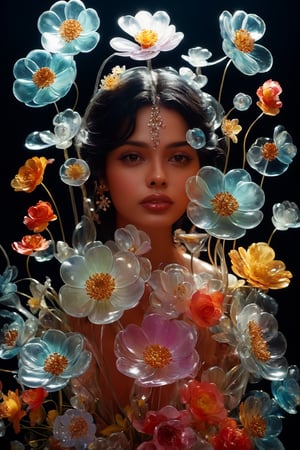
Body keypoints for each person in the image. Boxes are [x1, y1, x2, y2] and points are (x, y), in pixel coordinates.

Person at [64, 65, 234, 433]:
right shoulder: (72, 304)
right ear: (102, 173)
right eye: (132, 156)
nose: (158, 176)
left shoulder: (224, 294)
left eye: (178, 157)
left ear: (200, 172)